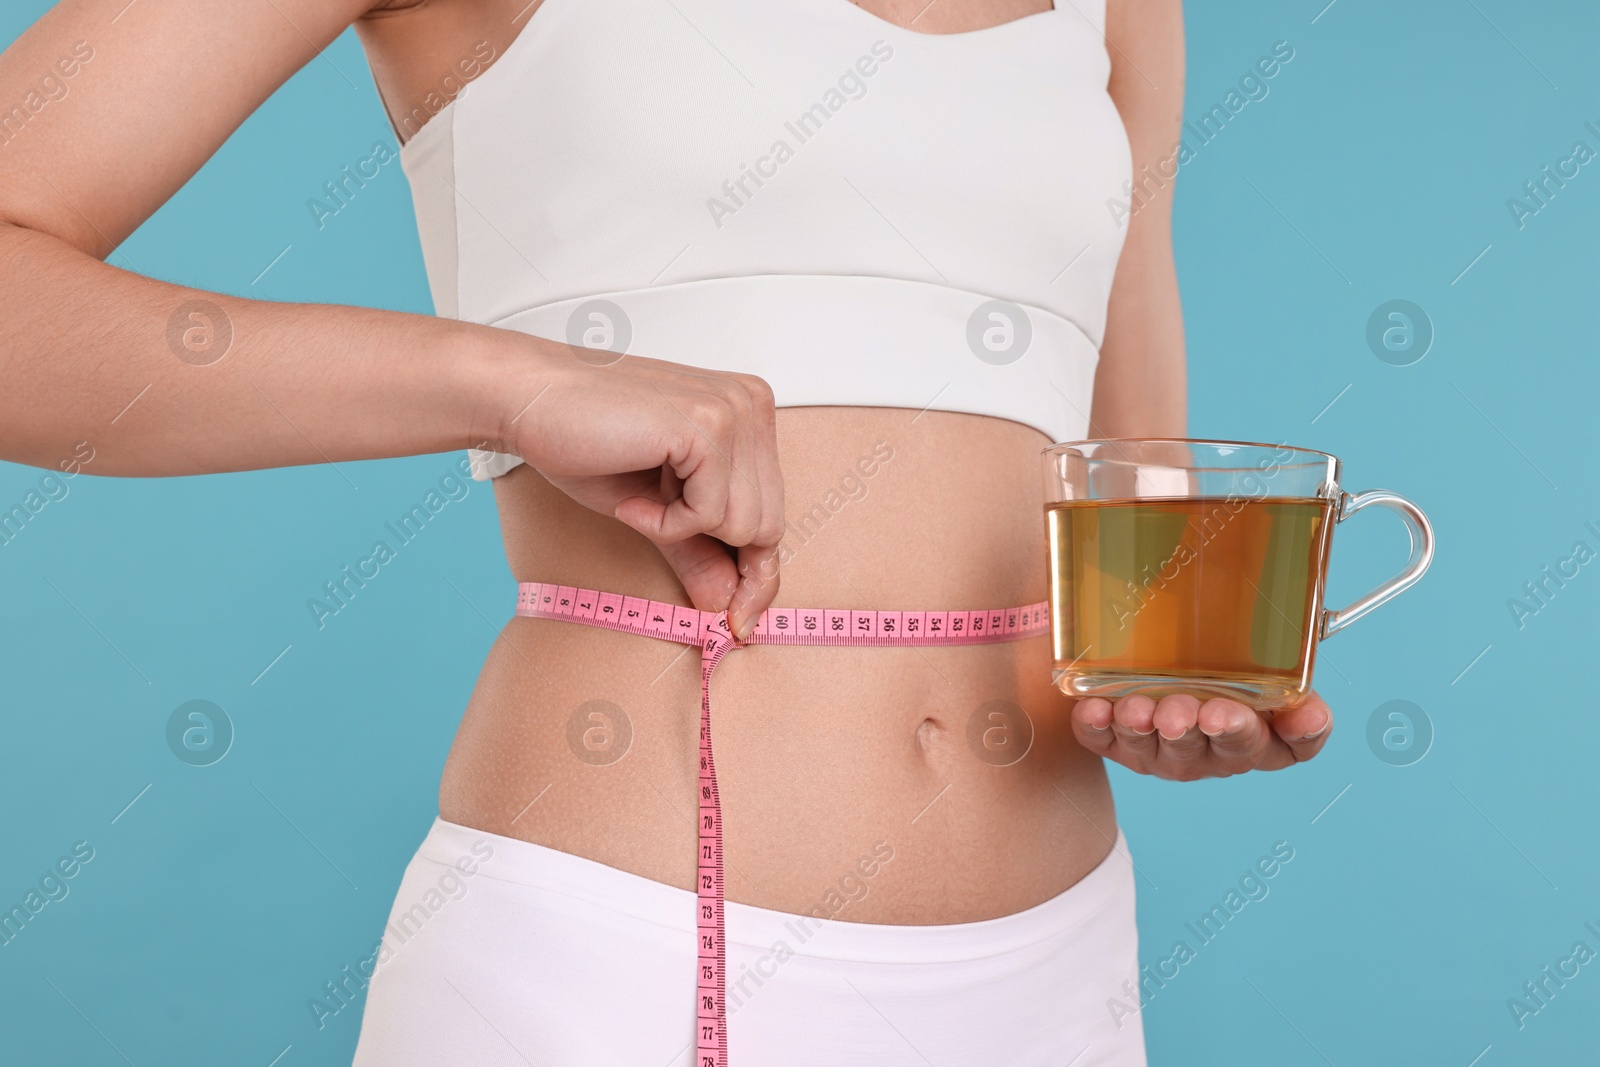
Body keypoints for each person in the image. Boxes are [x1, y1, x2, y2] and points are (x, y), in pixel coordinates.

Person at [0, 0, 1333, 1062]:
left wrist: (1177, 683)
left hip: (1059, 970)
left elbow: (1137, 476)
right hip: (614, 954)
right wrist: (507, 381)